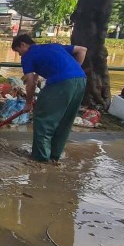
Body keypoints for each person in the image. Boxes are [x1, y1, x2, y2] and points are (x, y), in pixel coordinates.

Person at [10, 33, 87, 162]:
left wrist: (28, 103)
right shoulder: (54, 46)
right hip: (81, 80)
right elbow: (82, 50)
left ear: (23, 45)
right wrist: (74, 70)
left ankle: (41, 159)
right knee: (65, 121)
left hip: (60, 84)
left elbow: (30, 83)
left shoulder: (28, 56)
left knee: (43, 119)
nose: (20, 55)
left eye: (19, 52)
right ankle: (54, 156)